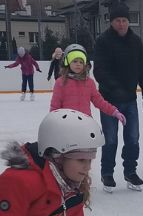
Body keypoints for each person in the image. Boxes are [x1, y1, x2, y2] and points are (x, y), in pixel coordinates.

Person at [91, 2, 143, 190]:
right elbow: (99, 71)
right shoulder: (103, 41)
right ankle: (107, 174)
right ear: (111, 22)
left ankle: (130, 172)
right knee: (111, 140)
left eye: (124, 20)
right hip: (109, 101)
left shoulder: (136, 42)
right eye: (117, 20)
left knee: (133, 139)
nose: (121, 24)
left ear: (129, 22)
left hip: (130, 101)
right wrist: (114, 88)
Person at [49, 45, 126, 188]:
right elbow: (55, 106)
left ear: (85, 65)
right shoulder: (61, 82)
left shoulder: (89, 83)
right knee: (67, 157)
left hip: (84, 128)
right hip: (67, 127)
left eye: (81, 62)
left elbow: (99, 101)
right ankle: (65, 182)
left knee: (83, 157)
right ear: (67, 62)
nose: (78, 65)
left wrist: (114, 111)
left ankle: (81, 184)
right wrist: (53, 124)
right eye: (75, 61)